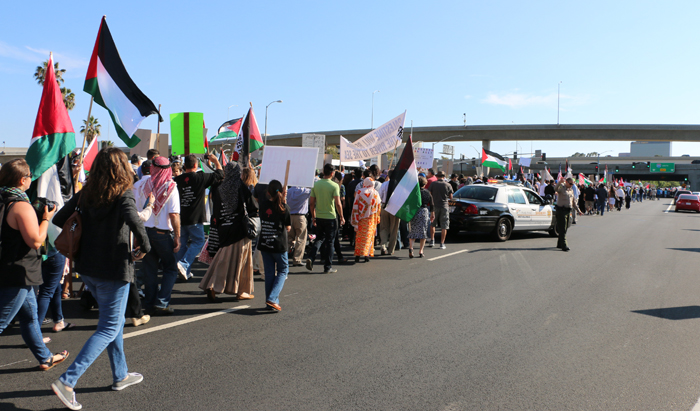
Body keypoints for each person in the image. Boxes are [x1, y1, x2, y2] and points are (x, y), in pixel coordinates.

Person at [51, 148, 151, 410]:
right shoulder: (122, 194)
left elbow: (60, 218)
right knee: (108, 327)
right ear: (121, 169)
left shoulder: (87, 193)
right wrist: (145, 245)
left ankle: (120, 375)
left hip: (87, 268)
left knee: (113, 323)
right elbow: (134, 220)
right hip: (113, 269)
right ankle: (67, 381)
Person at [0, 159, 69, 372]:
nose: (32, 178)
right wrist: (46, 218)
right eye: (30, 175)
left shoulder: (3, 198)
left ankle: (45, 357)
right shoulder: (21, 205)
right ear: (23, 180)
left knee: (30, 317)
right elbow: (36, 241)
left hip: (8, 267)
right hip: (19, 272)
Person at [199, 163, 257, 302]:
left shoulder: (219, 187)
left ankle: (212, 284)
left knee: (222, 258)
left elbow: (216, 210)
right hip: (239, 229)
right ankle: (240, 290)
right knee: (242, 262)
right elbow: (252, 206)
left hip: (223, 228)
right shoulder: (240, 186)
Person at [134, 156, 181, 315]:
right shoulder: (171, 186)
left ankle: (149, 302)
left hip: (144, 233)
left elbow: (134, 212)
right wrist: (178, 237)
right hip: (162, 234)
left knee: (150, 270)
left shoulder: (140, 185)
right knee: (170, 268)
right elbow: (174, 215)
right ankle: (161, 302)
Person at [174, 154, 223, 281]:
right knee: (198, 241)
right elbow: (220, 174)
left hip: (181, 217)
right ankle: (183, 264)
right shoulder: (200, 177)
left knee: (183, 244)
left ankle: (184, 270)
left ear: (184, 166)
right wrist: (216, 161)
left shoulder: (178, 180)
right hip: (195, 218)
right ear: (196, 165)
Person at [257, 180, 291, 312]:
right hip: (278, 244)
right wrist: (284, 202)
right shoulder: (284, 207)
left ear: (268, 192)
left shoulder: (263, 204)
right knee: (283, 270)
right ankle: (272, 298)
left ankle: (270, 301)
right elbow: (288, 227)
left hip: (265, 242)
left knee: (270, 273)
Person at [306, 164, 345, 274]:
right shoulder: (334, 186)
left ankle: (311, 257)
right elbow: (338, 203)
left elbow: (312, 203)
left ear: (323, 172)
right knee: (330, 242)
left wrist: (313, 217)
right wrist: (341, 216)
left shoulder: (316, 185)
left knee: (319, 239)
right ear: (332, 173)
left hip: (319, 216)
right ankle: (327, 266)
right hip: (331, 217)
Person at [350, 178, 381, 262]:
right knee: (369, 236)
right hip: (371, 218)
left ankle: (358, 255)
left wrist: (355, 218)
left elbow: (355, 204)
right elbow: (378, 206)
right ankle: (366, 255)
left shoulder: (360, 192)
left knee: (359, 237)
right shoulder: (375, 192)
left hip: (361, 218)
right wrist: (377, 217)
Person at [408, 176, 434, 258]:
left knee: (413, 230)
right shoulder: (427, 193)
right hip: (424, 211)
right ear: (425, 183)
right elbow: (432, 204)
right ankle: (421, 251)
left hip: (414, 212)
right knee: (423, 231)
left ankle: (411, 248)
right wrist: (432, 214)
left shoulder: (414, 192)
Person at [428, 171, 453, 249]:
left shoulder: (433, 184)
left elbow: (429, 194)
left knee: (432, 224)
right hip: (444, 206)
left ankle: (432, 240)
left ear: (437, 176)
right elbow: (451, 197)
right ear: (444, 176)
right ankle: (442, 243)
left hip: (434, 206)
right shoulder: (448, 184)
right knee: (444, 225)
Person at [286, 185, 311, 267]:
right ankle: (297, 259)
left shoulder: (288, 191)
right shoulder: (305, 191)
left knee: (289, 238)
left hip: (289, 216)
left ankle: (285, 257)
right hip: (300, 217)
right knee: (301, 238)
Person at [555, 177, 575, 251]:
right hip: (561, 211)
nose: (571, 185)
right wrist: (559, 182)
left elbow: (573, 201)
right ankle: (564, 245)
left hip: (568, 211)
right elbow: (555, 189)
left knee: (565, 228)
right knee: (562, 229)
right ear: (566, 182)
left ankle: (559, 244)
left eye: (572, 184)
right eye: (570, 183)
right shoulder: (562, 188)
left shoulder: (571, 190)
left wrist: (578, 210)